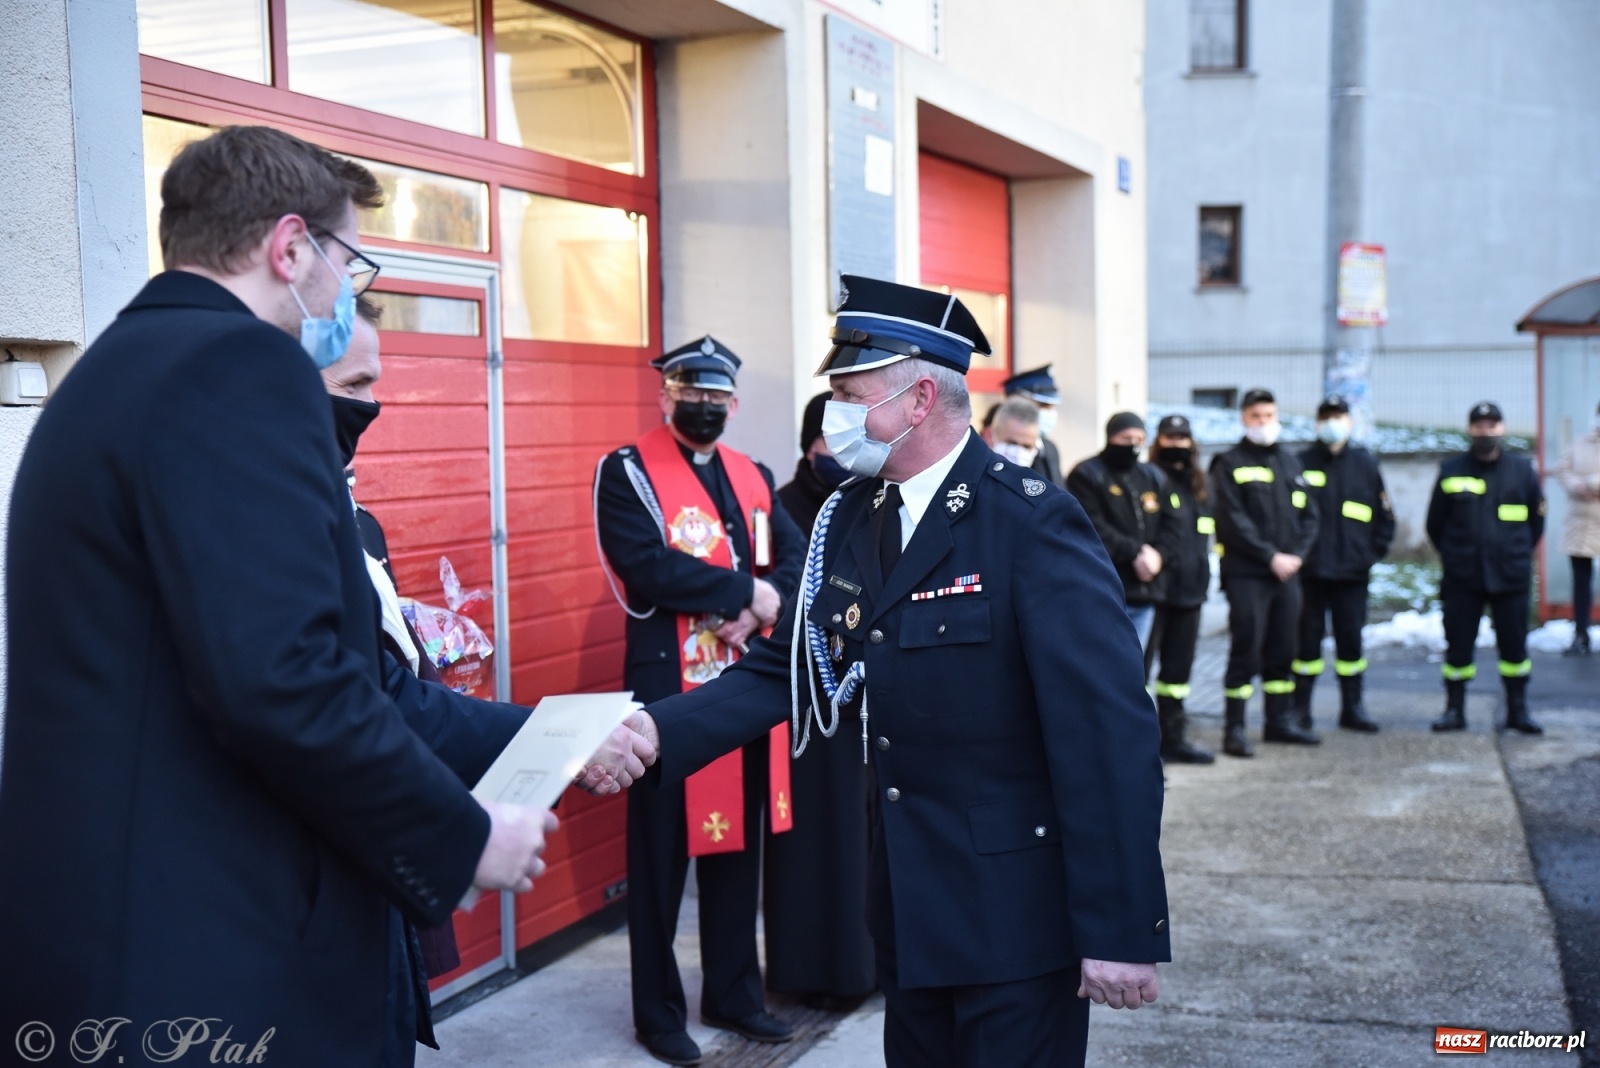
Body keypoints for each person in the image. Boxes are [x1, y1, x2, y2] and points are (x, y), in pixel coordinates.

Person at [0, 126, 649, 1063]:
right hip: (215, 964)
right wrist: (460, 838)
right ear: (291, 247)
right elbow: (283, 676)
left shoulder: (112, 373)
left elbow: (266, 663)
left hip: (112, 953)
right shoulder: (239, 366)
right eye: (350, 263)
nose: (348, 290)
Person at [632, 276, 1170, 1068]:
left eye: (850, 396)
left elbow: (1109, 733)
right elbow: (788, 666)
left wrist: (1121, 926)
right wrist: (649, 732)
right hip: (909, 913)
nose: (836, 415)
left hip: (1015, 922)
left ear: (919, 399)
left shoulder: (1029, 522)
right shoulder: (855, 512)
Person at [594, 336, 807, 1066]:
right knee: (659, 859)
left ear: (734, 404)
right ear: (666, 396)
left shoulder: (755, 474)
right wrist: (747, 592)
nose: (705, 405)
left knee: (736, 850)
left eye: (717, 396)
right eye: (692, 392)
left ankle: (734, 995)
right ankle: (657, 1015)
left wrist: (765, 601)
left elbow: (795, 555)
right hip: (667, 688)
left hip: (742, 683)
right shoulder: (628, 471)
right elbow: (645, 565)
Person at [766, 392, 876, 1009]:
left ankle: (865, 965)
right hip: (806, 705)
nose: (838, 457)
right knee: (813, 844)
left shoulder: (870, 500)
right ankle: (815, 971)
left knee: (863, 841)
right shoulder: (785, 506)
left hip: (862, 704)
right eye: (825, 446)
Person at [1209, 388, 1321, 756]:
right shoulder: (1229, 463)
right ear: (1243, 419)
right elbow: (1231, 520)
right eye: (1256, 416)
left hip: (1287, 574)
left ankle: (1279, 722)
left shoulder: (1290, 463)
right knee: (1246, 649)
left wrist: (1296, 557)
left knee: (1283, 649)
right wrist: (1270, 556)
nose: (1263, 423)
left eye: (1269, 416)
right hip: (1248, 574)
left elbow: (1310, 516)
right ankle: (1235, 729)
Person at [1427, 402, 1546, 734]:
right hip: (1463, 578)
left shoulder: (1522, 471)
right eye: (1479, 425)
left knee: (1514, 647)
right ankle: (1454, 710)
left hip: (1510, 577)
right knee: (1458, 646)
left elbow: (1537, 522)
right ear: (1470, 429)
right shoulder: (1451, 471)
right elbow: (1434, 524)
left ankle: (1518, 711)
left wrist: (1515, 554)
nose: (1486, 431)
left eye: (1492, 425)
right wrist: (1456, 556)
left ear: (1502, 428)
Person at [1291, 395, 1395, 733]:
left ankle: (1353, 708)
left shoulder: (1365, 465)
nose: (1332, 424)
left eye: (1338, 417)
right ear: (1317, 423)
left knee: (1351, 643)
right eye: (1326, 418)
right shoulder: (1300, 463)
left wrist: (1368, 556)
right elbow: (1290, 518)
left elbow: (1384, 518)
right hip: (1310, 575)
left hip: (1352, 575)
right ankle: (1300, 710)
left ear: (1349, 423)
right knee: (1306, 644)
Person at [1067, 412, 1168, 650]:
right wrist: (1135, 552)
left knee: (1138, 660)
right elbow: (1090, 525)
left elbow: (1171, 522)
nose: (1133, 445)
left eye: (1139, 439)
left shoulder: (1152, 476)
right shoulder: (1087, 474)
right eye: (1126, 438)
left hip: (1144, 588)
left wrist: (1158, 555)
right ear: (1111, 437)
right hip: (1104, 589)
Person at [1148, 414, 1216, 764]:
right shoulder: (1149, 479)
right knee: (1140, 670)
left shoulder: (1199, 484)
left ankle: (1173, 737)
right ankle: (1141, 743)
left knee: (1177, 673)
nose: (1177, 444)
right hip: (1154, 592)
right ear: (1158, 441)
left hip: (1191, 591)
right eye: (1170, 438)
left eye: (1182, 438)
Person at [1553, 399, 1600, 657]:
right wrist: (1576, 486)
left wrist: (1590, 483)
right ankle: (1581, 634)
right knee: (1581, 582)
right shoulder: (1579, 443)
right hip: (1580, 524)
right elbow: (1562, 471)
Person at [1002, 365, 1066, 486]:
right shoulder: (998, 445)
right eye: (1042, 405)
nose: (1050, 412)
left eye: (1051, 406)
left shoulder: (1049, 448)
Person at [987, 395, 1042, 468]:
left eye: (1027, 447)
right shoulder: (973, 470)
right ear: (990, 436)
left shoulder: (1041, 470)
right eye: (1011, 443)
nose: (1019, 454)